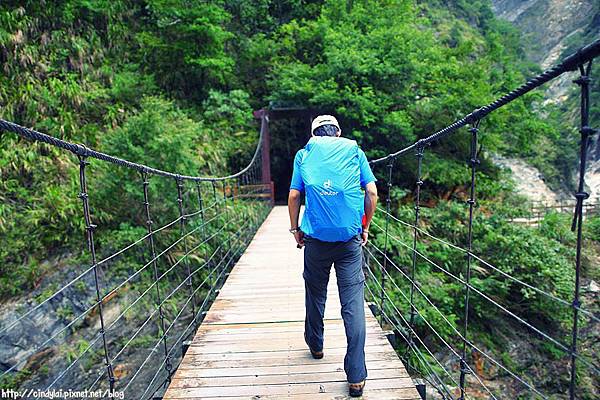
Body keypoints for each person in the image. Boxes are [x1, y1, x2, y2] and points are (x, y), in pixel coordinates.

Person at [287, 115, 378, 397]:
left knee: (315, 293)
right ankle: (356, 377)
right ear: (338, 132)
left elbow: (294, 196)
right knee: (353, 304)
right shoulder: (355, 151)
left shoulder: (304, 154)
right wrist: (365, 226)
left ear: (314, 133)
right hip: (349, 240)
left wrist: (295, 229)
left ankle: (316, 344)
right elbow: (372, 192)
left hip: (315, 240)